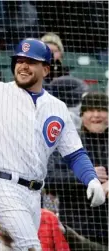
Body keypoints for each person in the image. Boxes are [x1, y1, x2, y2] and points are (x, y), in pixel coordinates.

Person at [0, 38, 105, 250]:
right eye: (19, 60)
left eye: (31, 61)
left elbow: (74, 154)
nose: (23, 66)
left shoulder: (57, 107)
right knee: (30, 247)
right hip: (2, 185)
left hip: (33, 195)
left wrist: (91, 179)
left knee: (7, 248)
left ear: (46, 69)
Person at [46, 92, 108, 246]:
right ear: (82, 115)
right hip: (76, 229)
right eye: (90, 110)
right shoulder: (68, 142)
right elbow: (48, 179)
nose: (96, 115)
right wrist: (85, 176)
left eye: (101, 109)